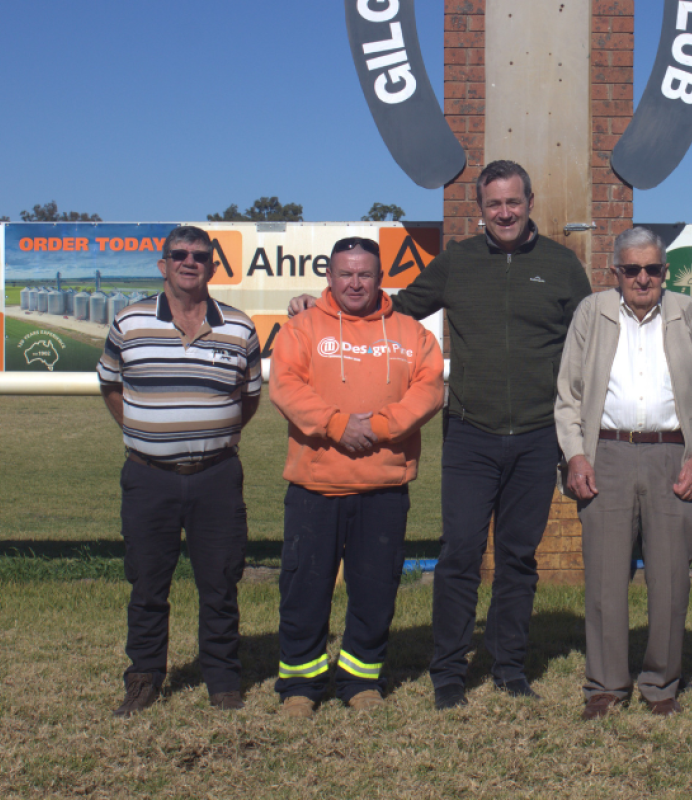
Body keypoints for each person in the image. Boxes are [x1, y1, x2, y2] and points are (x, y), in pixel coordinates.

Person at [288, 160, 591, 709]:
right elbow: (389, 311)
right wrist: (322, 305)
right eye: (493, 203)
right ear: (480, 209)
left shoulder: (563, 266)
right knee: (459, 556)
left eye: (513, 202)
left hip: (537, 433)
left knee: (519, 558)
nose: (504, 212)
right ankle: (449, 672)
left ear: (530, 202)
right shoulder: (457, 263)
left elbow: (591, 343)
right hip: (470, 434)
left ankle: (508, 666)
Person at [556, 227, 692, 719]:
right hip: (605, 454)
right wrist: (576, 455)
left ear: (665, 271)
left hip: (673, 456)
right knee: (606, 581)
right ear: (616, 272)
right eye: (632, 269)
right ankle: (606, 687)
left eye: (652, 269)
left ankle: (661, 685)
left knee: (671, 578)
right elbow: (567, 394)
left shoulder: (689, 314)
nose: (643, 278)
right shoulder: (593, 313)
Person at [269, 236, 444, 719]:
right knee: (305, 586)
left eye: (364, 273)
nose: (355, 282)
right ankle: (300, 686)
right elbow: (285, 386)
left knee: (375, 587)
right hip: (314, 485)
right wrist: (340, 425)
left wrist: (382, 428)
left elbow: (429, 390)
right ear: (329, 276)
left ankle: (362, 679)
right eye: (345, 273)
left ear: (380, 277)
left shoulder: (410, 332)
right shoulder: (302, 328)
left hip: (384, 486)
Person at [97, 225, 262, 717]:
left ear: (213, 266)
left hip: (216, 476)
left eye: (200, 255)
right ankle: (144, 678)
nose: (190, 261)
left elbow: (248, 397)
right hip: (149, 476)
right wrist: (147, 433)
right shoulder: (128, 322)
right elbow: (110, 385)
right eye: (180, 254)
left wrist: (212, 434)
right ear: (163, 264)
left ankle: (223, 681)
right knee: (148, 583)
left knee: (220, 583)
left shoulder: (238, 327)